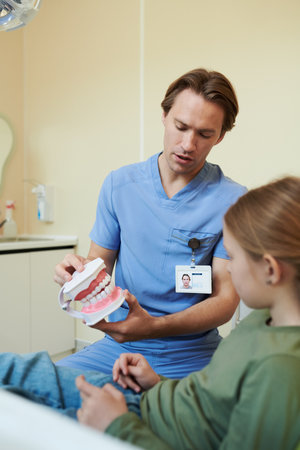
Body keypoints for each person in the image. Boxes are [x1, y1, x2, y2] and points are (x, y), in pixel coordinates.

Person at [1, 176, 299, 449]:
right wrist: (158, 383)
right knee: (15, 370)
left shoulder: (280, 369)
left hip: (140, 425)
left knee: (23, 415)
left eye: (232, 257)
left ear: (271, 270)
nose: (227, 267)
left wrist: (117, 426)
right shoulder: (263, 320)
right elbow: (212, 397)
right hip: (149, 398)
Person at [54, 68, 247, 378]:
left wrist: (154, 327)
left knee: (192, 418)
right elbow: (97, 267)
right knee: (35, 388)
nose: (187, 144)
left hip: (193, 354)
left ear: (221, 136)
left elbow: (225, 301)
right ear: (164, 115)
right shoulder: (120, 185)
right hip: (118, 348)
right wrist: (77, 273)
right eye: (181, 126)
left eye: (204, 134)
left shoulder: (233, 201)